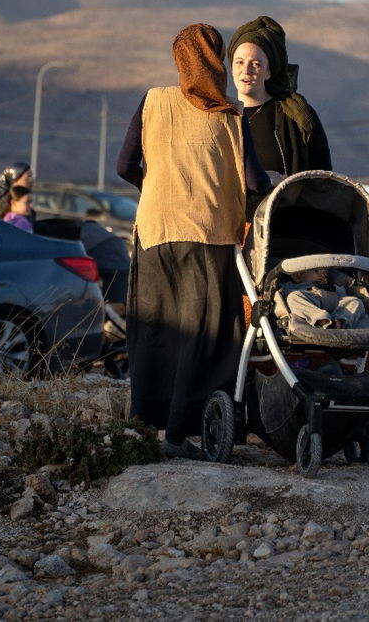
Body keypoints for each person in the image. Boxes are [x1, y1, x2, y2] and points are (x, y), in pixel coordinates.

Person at [116, 23, 273, 460]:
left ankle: (143, 424)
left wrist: (155, 188)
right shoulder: (230, 117)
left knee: (156, 330)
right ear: (217, 61)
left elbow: (124, 165)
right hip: (210, 237)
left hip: (154, 234)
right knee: (206, 336)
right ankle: (182, 433)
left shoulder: (151, 101)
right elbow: (256, 182)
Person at [226, 16, 332, 208]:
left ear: (269, 72)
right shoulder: (220, 116)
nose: (246, 70)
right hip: (229, 231)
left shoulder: (296, 117)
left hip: (281, 229)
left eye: (256, 64)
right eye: (239, 62)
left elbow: (323, 181)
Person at [279, 268, 368, 329]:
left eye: (326, 274)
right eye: (316, 271)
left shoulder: (333, 286)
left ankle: (340, 321)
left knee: (356, 301)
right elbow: (282, 293)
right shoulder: (293, 286)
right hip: (310, 302)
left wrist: (337, 290)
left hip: (334, 304)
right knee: (292, 297)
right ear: (298, 275)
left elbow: (344, 297)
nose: (323, 276)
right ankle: (322, 320)